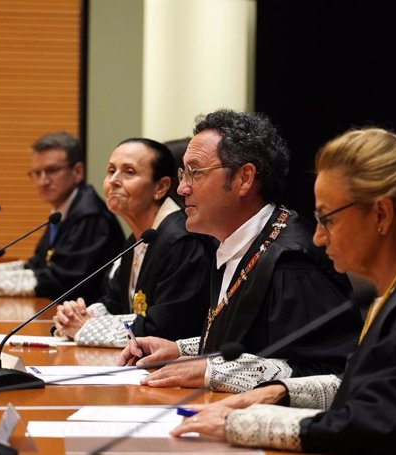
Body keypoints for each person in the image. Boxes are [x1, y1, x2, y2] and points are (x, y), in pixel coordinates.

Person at [171, 127, 396, 454]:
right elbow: (367, 391)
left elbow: (375, 429)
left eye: (327, 219)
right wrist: (281, 391)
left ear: (380, 214)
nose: (317, 237)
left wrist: (242, 426)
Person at [117, 109, 361, 393]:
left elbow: (334, 375)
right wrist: (180, 350)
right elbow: (258, 341)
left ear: (244, 179)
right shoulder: (238, 242)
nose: (182, 188)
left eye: (195, 172)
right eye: (183, 173)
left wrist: (212, 371)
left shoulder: (292, 263)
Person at [52, 138, 215, 346]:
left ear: (161, 187)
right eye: (111, 171)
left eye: (129, 172)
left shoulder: (183, 242)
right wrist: (78, 315)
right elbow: (114, 303)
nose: (114, 181)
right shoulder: (139, 237)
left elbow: (166, 329)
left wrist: (87, 327)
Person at [0, 131, 125, 302]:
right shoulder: (63, 210)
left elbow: (59, 283)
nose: (43, 181)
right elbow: (36, 266)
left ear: (77, 171)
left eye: (52, 171)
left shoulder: (90, 217)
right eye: (37, 173)